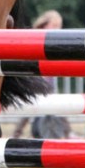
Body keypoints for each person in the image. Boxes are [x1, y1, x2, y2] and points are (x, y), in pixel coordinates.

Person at [12, 10, 73, 139]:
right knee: (33, 102)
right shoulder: (35, 39)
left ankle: (67, 132)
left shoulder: (56, 44)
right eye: (54, 25)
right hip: (36, 80)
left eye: (59, 26)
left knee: (51, 103)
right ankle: (17, 133)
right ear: (45, 25)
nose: (58, 29)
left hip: (47, 83)